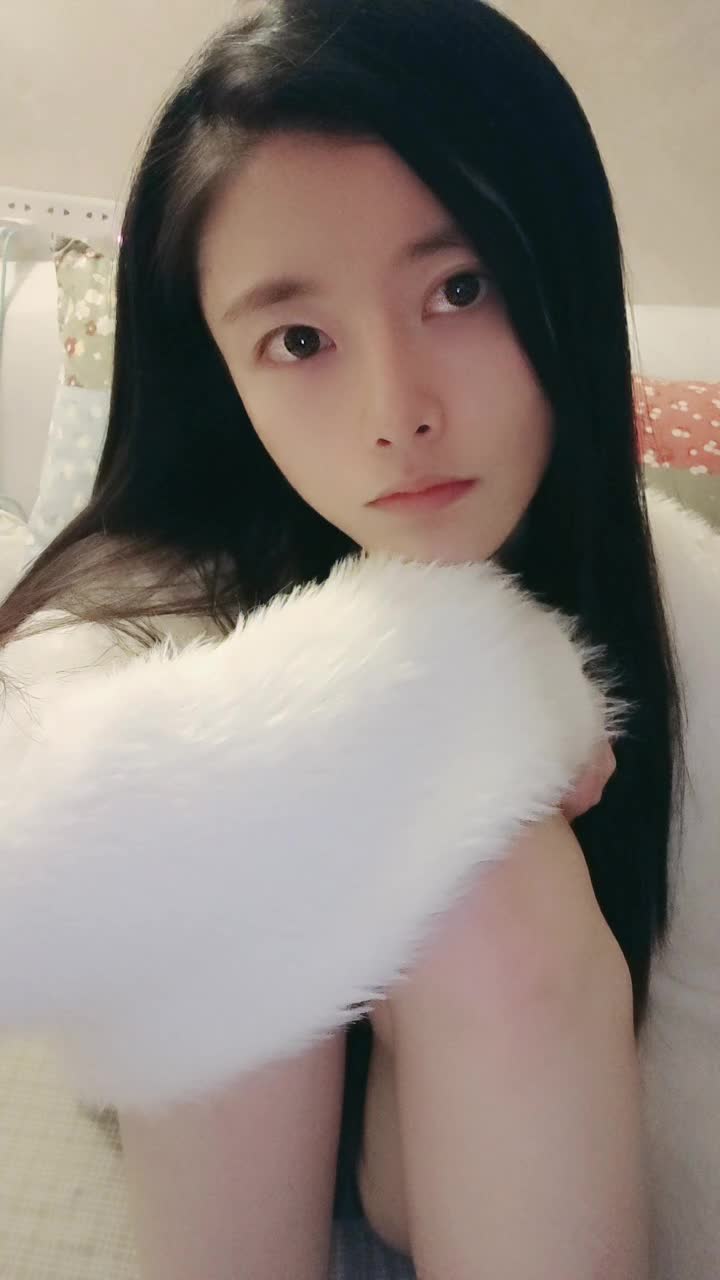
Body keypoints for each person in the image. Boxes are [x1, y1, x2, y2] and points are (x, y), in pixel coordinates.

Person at [0, 1, 717, 1277]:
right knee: (244, 819)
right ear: (220, 369)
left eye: (459, 289)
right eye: (299, 340)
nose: (399, 412)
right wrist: (481, 684)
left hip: (495, 1101)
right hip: (250, 1112)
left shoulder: (673, 588)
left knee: (490, 876)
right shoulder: (143, 592)